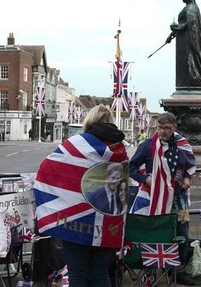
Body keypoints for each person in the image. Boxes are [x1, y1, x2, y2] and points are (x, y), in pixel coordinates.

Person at [35, 104, 128, 287]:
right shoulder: (120, 148)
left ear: (90, 120)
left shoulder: (78, 143)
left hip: (75, 222)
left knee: (77, 272)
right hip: (108, 223)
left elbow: (48, 169)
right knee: (101, 272)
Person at [128, 112, 196, 262]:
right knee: (152, 232)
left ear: (174, 127)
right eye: (160, 127)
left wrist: (187, 178)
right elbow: (130, 167)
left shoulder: (182, 146)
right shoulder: (147, 146)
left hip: (178, 198)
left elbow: (190, 165)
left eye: (167, 128)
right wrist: (146, 179)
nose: (163, 131)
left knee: (181, 235)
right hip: (152, 197)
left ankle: (178, 269)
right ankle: (149, 266)